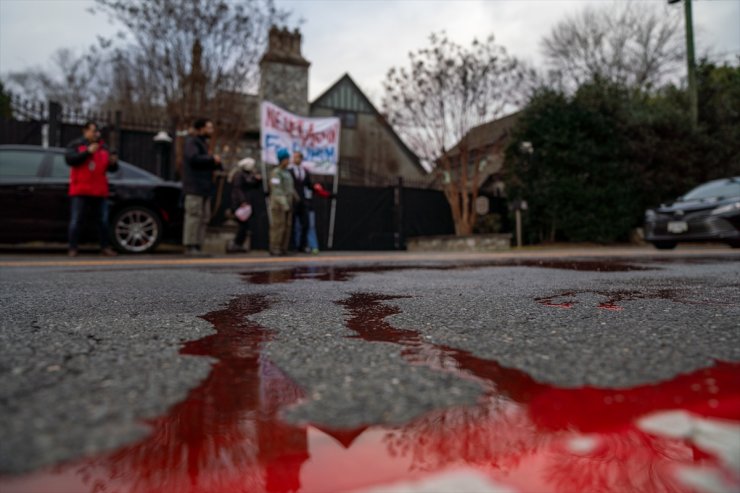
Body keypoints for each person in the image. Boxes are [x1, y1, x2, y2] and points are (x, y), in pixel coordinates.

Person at [64, 121, 119, 257]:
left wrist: (113, 162)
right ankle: (73, 248)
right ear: (86, 131)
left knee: (103, 221)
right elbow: (70, 159)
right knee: (76, 220)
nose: (96, 134)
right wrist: (87, 152)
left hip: (99, 190)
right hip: (80, 189)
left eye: (97, 131)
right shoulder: (76, 145)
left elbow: (112, 169)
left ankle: (105, 247)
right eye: (94, 131)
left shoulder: (104, 147)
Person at [182, 118, 221, 255]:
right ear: (201, 128)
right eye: (209, 128)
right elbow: (193, 158)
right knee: (194, 216)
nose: (211, 131)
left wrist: (215, 162)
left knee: (204, 217)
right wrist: (211, 159)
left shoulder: (203, 144)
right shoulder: (192, 142)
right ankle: (190, 245)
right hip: (194, 187)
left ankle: (198, 245)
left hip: (204, 188)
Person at [288, 151, 331, 254]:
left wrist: (322, 192)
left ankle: (302, 245)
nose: (295, 159)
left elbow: (309, 186)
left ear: (301, 159)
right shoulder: (289, 171)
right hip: (293, 200)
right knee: (293, 224)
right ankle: (293, 246)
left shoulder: (305, 172)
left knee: (305, 224)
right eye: (294, 157)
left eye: (297, 157)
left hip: (303, 201)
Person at [227, 157, 262, 253]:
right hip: (240, 204)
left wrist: (257, 180)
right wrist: (242, 201)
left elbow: (253, 184)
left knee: (246, 226)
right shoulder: (239, 175)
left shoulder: (249, 175)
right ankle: (235, 244)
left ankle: (239, 244)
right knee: (242, 225)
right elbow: (237, 189)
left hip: (248, 203)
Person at [269, 149, 298, 256]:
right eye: (286, 159)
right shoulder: (276, 173)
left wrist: (295, 197)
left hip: (288, 204)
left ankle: (283, 248)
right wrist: (284, 203)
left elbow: (290, 188)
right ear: (282, 160)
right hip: (279, 205)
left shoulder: (287, 173)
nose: (288, 161)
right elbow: (276, 190)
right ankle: (275, 247)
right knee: (278, 226)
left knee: (287, 226)